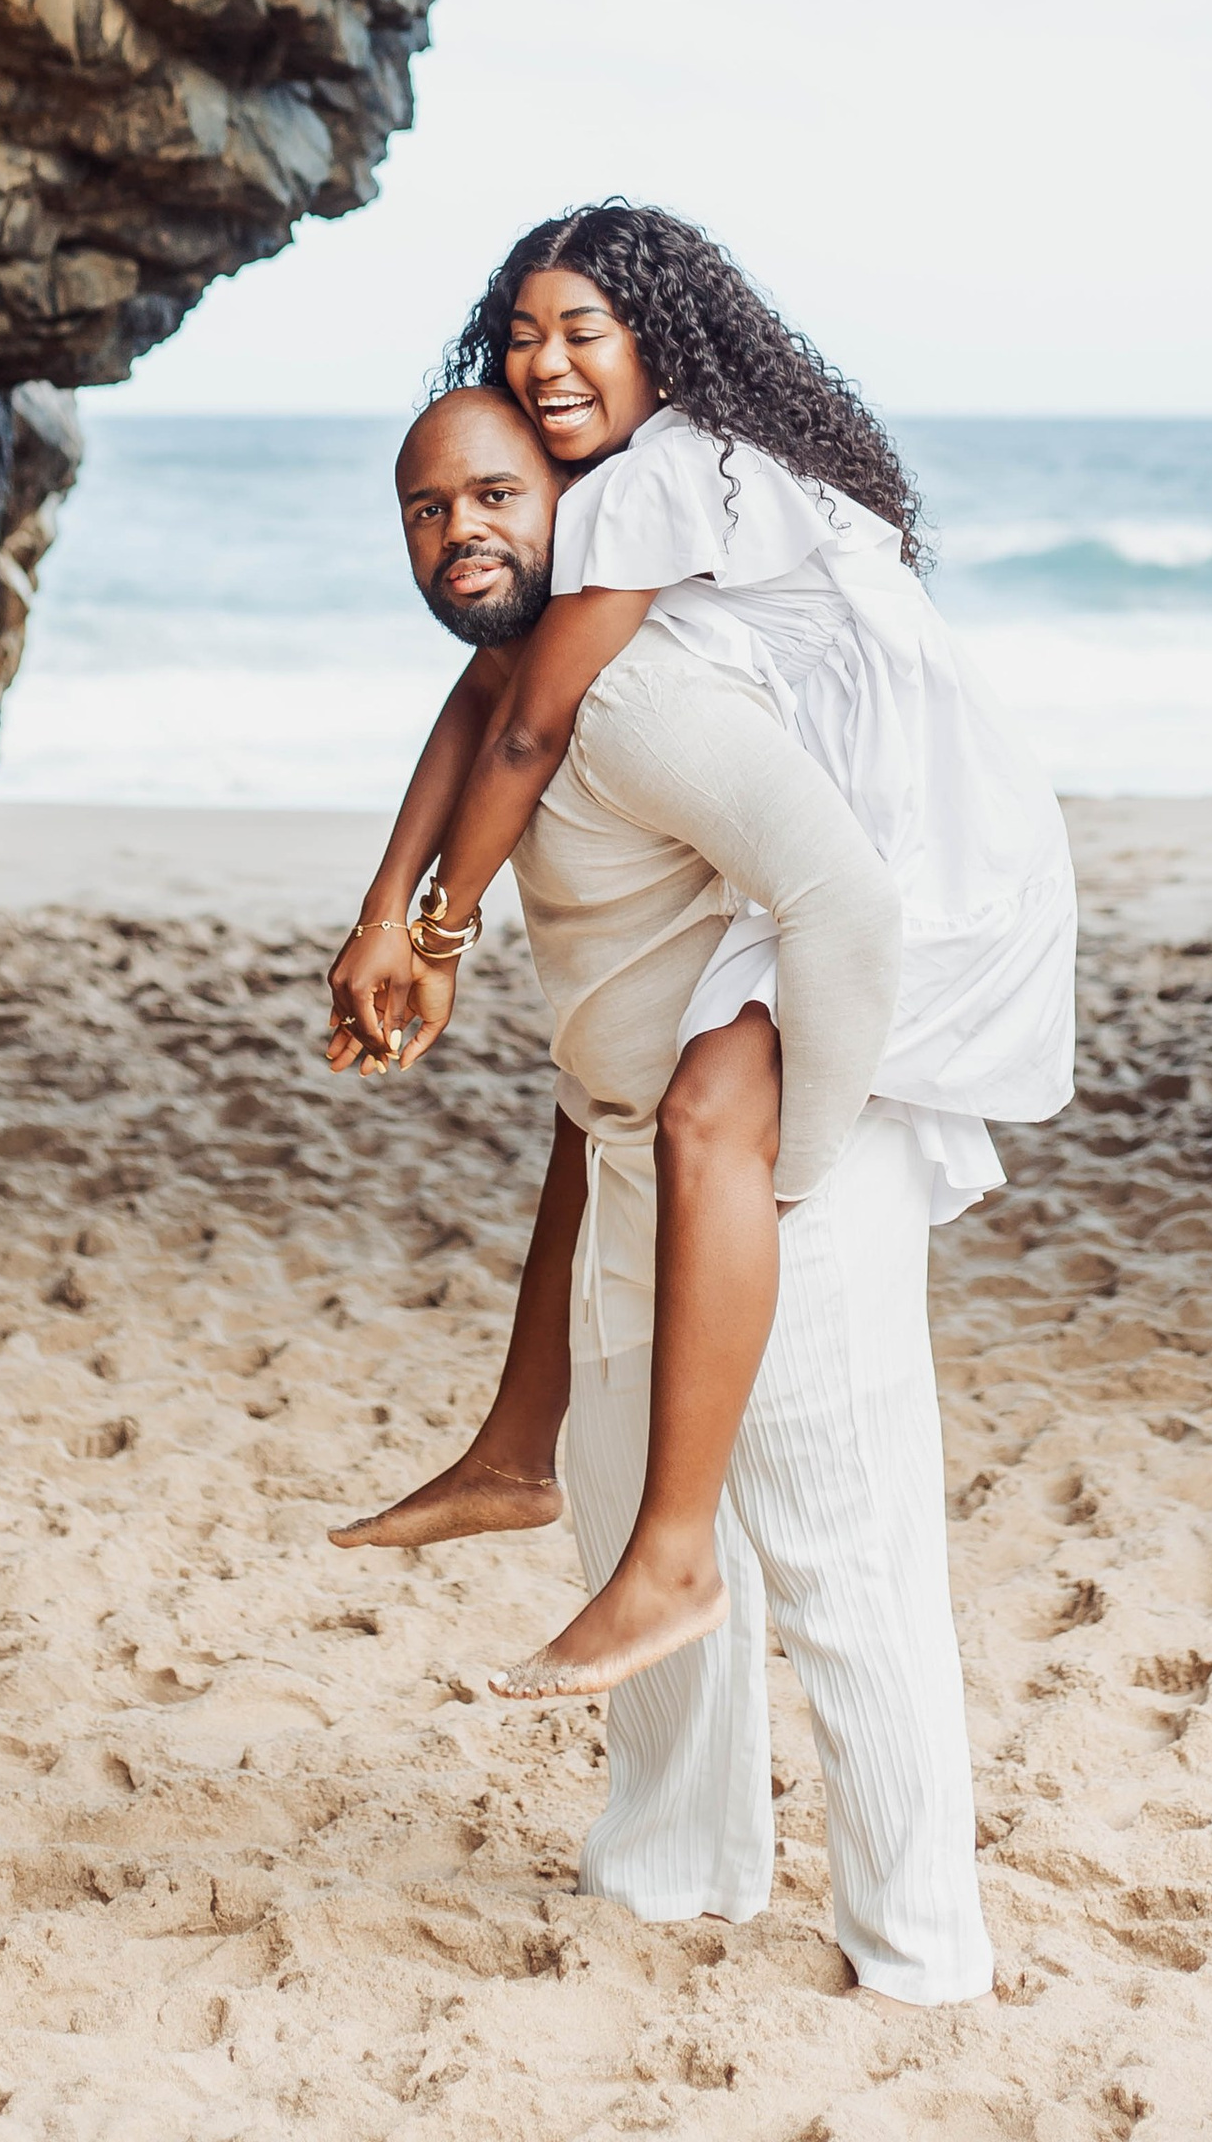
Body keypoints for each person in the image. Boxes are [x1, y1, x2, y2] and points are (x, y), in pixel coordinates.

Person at [327, 205, 1075, 1708]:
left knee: (698, 1119)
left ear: (662, 339)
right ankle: (519, 1444)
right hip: (839, 831)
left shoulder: (656, 483)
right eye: (523, 332)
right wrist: (381, 910)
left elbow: (533, 724)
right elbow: (492, 692)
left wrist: (444, 930)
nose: (544, 360)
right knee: (594, 1080)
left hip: (912, 862)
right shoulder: (655, 478)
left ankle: (671, 1554)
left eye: (582, 330)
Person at [326, 381, 995, 2005]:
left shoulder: (640, 696)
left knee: (848, 1567)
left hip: (759, 1176)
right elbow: (481, 717)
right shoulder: (523, 682)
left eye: (494, 493)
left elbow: (846, 899)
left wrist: (790, 1172)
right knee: (629, 1518)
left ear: (578, 503)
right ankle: (670, 1865)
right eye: (428, 507)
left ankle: (920, 1957)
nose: (463, 527)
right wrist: (402, 918)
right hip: (630, 1152)